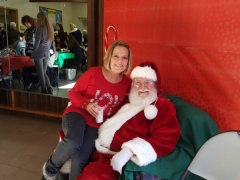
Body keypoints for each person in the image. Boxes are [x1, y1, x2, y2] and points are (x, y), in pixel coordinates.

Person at [42, 40, 133, 180]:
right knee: (74, 141)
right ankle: (50, 169)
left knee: (81, 158)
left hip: (96, 123)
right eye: (116, 56)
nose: (119, 61)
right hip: (77, 112)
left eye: (124, 57)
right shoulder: (94, 73)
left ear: (128, 61)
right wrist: (86, 105)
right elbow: (73, 93)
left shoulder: (127, 84)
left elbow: (125, 108)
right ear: (109, 57)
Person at [76, 61, 181, 180]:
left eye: (148, 82)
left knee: (93, 177)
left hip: (117, 158)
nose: (142, 87)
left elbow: (167, 137)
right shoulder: (129, 100)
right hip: (98, 149)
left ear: (156, 84)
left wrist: (131, 150)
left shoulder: (162, 105)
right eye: (138, 83)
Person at [31, 11, 56, 95]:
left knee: (41, 73)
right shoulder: (50, 29)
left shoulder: (40, 29)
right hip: (47, 53)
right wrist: (55, 52)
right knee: (44, 72)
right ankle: (49, 88)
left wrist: (32, 56)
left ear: (40, 19)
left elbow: (36, 44)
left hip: (39, 53)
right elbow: (53, 43)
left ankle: (43, 89)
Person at [21, 15, 38, 90]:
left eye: (27, 23)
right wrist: (24, 41)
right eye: (25, 24)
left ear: (30, 22)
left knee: (27, 69)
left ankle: (32, 82)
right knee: (26, 69)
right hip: (28, 52)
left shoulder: (36, 30)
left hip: (35, 53)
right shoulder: (26, 31)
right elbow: (26, 41)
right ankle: (32, 82)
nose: (26, 25)